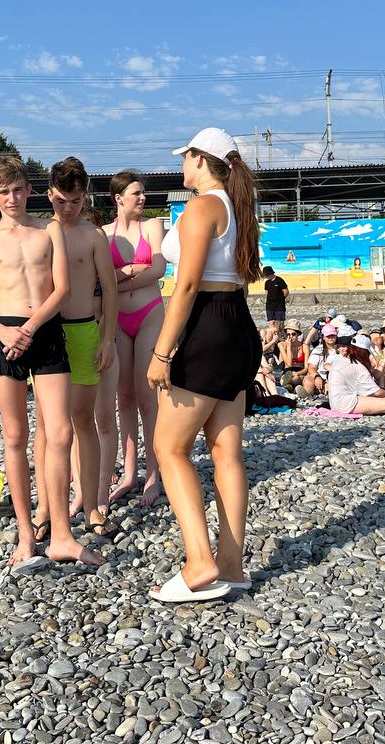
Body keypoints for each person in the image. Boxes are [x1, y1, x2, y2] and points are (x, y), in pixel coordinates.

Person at [0, 155, 101, 569]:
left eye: (19, 190)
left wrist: (31, 327)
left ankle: (62, 534)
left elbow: (62, 289)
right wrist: (5, 332)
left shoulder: (49, 229)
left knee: (60, 432)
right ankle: (26, 534)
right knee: (15, 435)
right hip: (4, 333)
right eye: (4, 192)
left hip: (44, 328)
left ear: (29, 190)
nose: (13, 198)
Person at [146, 127, 261, 603]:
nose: (181, 165)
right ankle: (232, 565)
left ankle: (199, 561)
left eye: (185, 157)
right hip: (238, 324)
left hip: (207, 325)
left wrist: (161, 353)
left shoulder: (202, 206)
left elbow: (188, 286)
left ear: (198, 158)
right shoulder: (238, 207)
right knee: (225, 451)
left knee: (169, 447)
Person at [33, 156, 119, 537]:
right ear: (49, 194)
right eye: (61, 201)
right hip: (49, 332)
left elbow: (110, 290)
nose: (68, 208)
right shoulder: (39, 232)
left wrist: (108, 338)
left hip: (84, 329)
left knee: (84, 419)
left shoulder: (93, 235)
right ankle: (45, 506)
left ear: (85, 197)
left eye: (76, 201)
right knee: (47, 424)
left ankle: (93, 504)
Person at [103, 169, 167, 507]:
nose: (142, 198)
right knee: (123, 397)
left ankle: (153, 473)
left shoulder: (152, 226)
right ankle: (130, 472)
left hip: (149, 313)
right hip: (117, 319)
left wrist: (118, 280)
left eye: (143, 193)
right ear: (119, 198)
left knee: (147, 395)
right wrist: (129, 270)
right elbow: (101, 279)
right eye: (136, 193)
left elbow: (158, 269)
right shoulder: (103, 233)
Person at [277, 319, 309, 389]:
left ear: (298, 334)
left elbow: (306, 368)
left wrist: (297, 373)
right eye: (288, 334)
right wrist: (289, 346)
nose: (290, 336)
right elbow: (289, 364)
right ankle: (291, 387)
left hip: (300, 371)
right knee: (291, 378)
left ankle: (289, 387)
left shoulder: (304, 347)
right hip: (288, 371)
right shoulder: (282, 345)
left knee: (296, 378)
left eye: (293, 334)